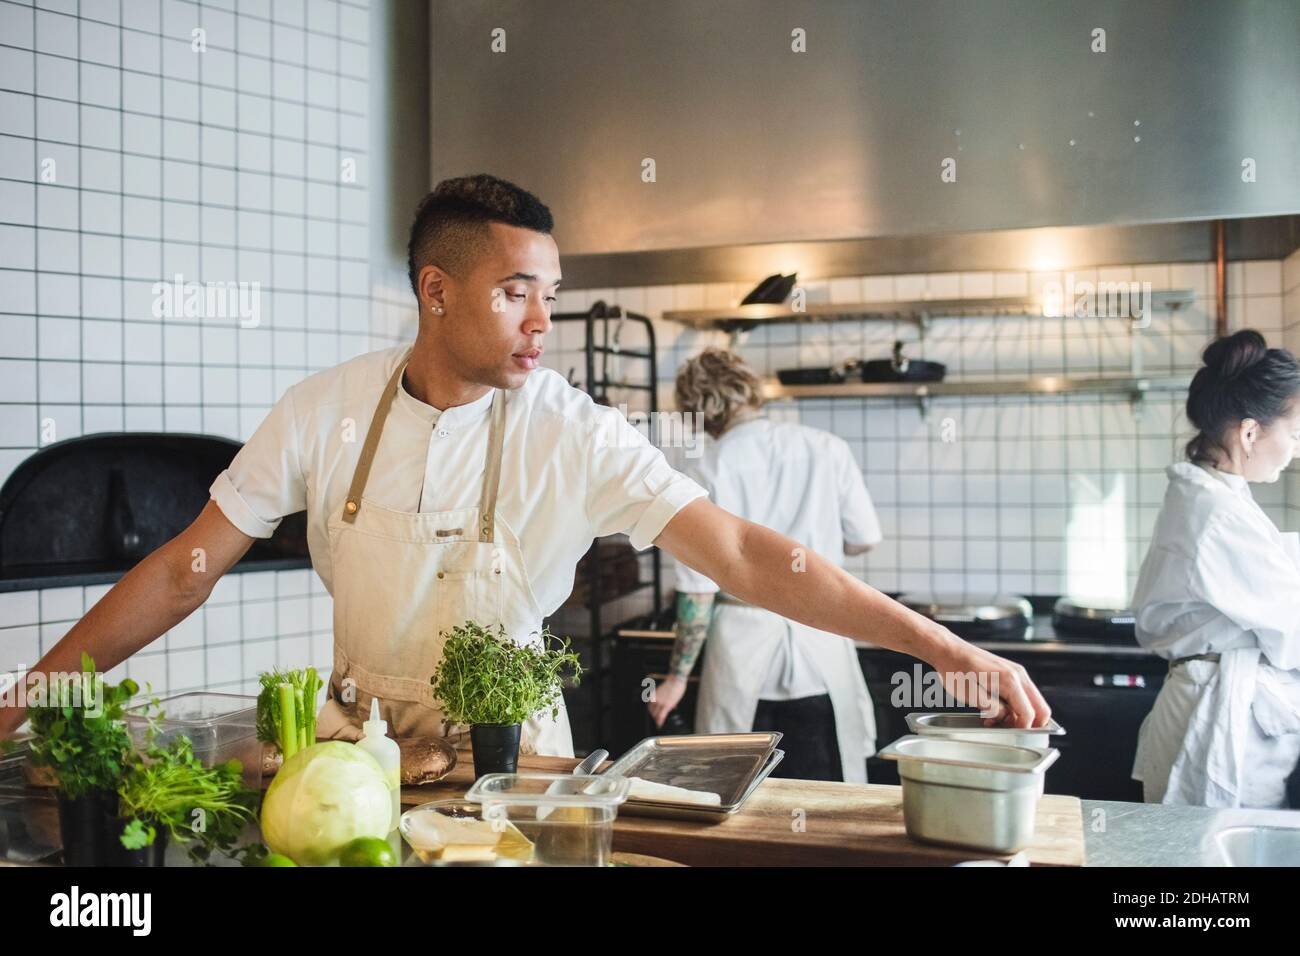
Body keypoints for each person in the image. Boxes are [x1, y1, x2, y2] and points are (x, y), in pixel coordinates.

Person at [0, 174, 1050, 755]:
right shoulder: (322, 410)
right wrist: (28, 697)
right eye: (516, 291)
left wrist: (940, 644)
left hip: (519, 769)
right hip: (353, 761)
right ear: (436, 290)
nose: (544, 320)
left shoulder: (573, 429)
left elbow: (740, 553)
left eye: (553, 290)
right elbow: (188, 568)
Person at [647, 349, 881, 782]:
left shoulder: (704, 469)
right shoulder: (826, 448)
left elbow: (697, 592)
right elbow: (864, 539)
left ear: (699, 408)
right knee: (830, 793)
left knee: (741, 788)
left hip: (742, 657)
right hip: (822, 644)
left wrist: (676, 679)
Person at [1131, 329, 1300, 808]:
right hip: (1213, 718)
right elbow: (1293, 628)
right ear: (1250, 432)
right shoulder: (1217, 512)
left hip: (1211, 706)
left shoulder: (1214, 497)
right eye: (1295, 433)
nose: (1296, 450)